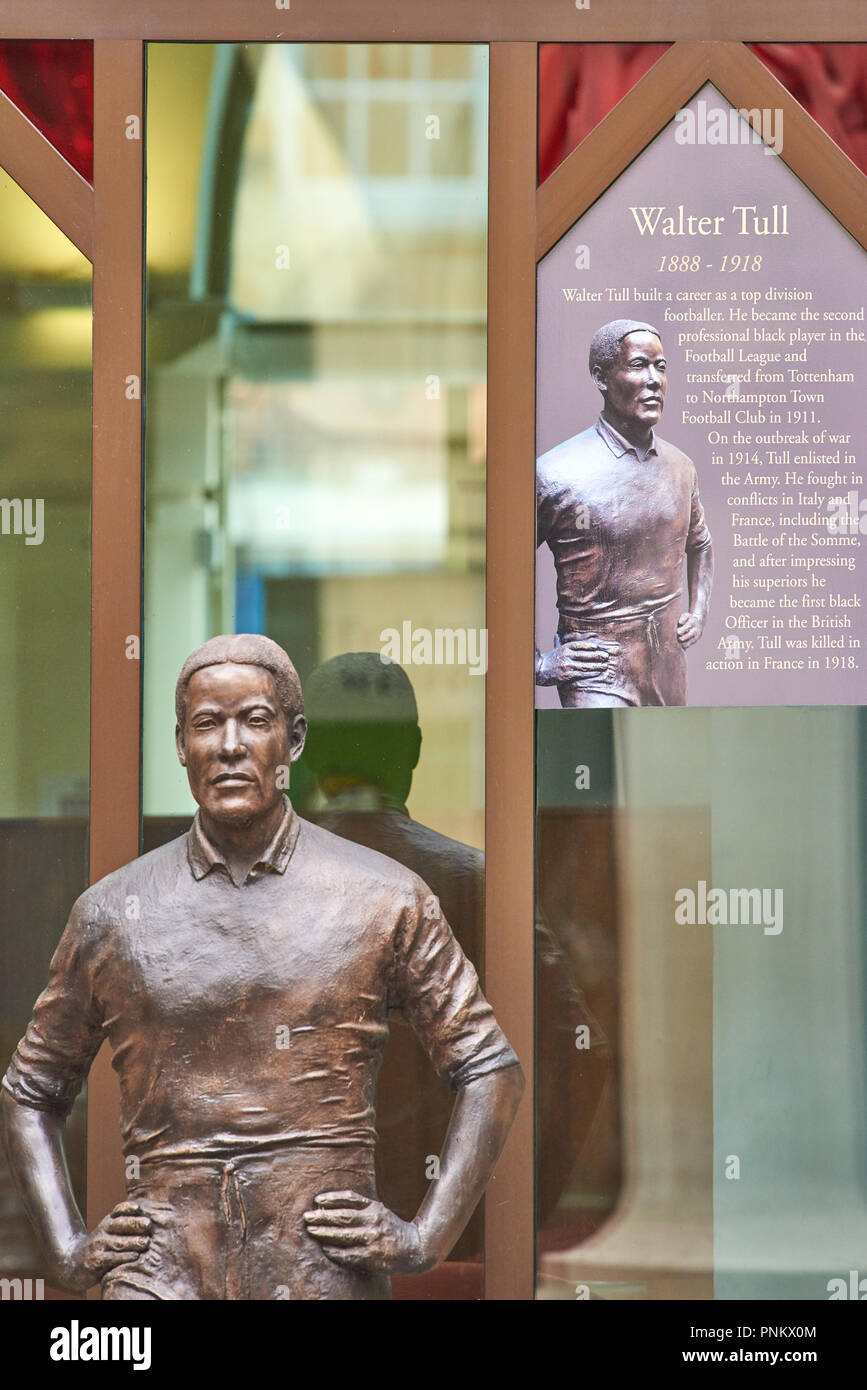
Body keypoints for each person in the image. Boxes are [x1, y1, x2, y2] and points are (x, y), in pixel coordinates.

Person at [1, 634, 523, 1300]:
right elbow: (29, 1092)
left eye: (254, 720)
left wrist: (424, 1237)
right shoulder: (112, 912)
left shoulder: (382, 896)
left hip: (319, 1273)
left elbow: (489, 1070)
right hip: (160, 1276)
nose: (228, 745)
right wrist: (68, 1251)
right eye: (206, 724)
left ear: (294, 740)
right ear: (180, 745)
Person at [536, 319, 713, 707]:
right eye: (638, 365)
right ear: (601, 377)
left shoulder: (681, 468)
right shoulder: (554, 473)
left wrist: (697, 613)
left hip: (668, 674)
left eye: (661, 367)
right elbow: (499, 575)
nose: (654, 380)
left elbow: (701, 544)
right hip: (599, 677)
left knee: (667, 766)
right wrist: (537, 664)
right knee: (604, 766)